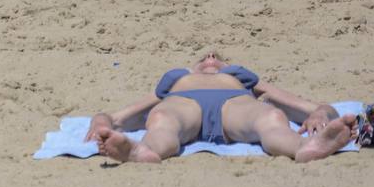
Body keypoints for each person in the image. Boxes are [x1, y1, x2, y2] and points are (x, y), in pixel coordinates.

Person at [86, 51, 357, 164]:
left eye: (218, 56)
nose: (211, 58)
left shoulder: (240, 78)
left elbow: (313, 106)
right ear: (193, 66)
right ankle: (142, 151)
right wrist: (100, 123)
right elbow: (116, 117)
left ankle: (304, 148)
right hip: (184, 104)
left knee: (272, 117)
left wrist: (320, 115)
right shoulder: (178, 79)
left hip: (235, 105)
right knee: (161, 119)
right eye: (204, 57)